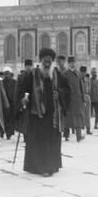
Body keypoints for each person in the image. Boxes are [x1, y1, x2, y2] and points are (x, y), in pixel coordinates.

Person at [19, 48, 65, 177]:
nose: (47, 64)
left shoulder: (57, 74)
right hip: (37, 116)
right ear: (40, 61)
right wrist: (23, 99)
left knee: (51, 142)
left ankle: (52, 166)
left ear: (52, 62)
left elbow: (66, 90)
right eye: (45, 61)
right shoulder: (32, 75)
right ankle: (40, 167)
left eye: (49, 62)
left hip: (53, 116)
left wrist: (59, 94)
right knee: (39, 142)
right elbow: (23, 90)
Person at [64, 56, 84, 142]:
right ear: (68, 64)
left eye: (73, 62)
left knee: (78, 117)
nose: (72, 64)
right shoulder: (65, 74)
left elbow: (81, 87)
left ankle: (78, 136)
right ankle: (66, 135)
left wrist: (83, 98)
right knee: (68, 117)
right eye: (71, 63)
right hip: (69, 100)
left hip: (77, 99)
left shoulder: (78, 73)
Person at [15, 59, 33, 141]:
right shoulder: (21, 76)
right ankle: (26, 136)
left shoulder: (34, 75)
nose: (28, 68)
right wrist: (18, 100)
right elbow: (17, 89)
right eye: (27, 66)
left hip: (33, 101)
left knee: (31, 119)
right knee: (24, 119)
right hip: (23, 100)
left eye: (30, 66)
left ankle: (31, 135)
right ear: (25, 67)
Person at [2, 67, 17, 140]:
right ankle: (6, 132)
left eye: (8, 74)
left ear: (11, 74)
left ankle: (10, 132)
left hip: (12, 102)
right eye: (5, 74)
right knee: (5, 118)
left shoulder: (14, 82)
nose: (7, 75)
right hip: (4, 103)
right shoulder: (1, 82)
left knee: (11, 118)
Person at [80, 66, 92, 135]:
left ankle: (88, 129)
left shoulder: (87, 80)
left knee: (87, 115)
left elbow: (89, 89)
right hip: (81, 98)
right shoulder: (79, 79)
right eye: (82, 72)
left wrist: (88, 96)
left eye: (84, 72)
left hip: (87, 97)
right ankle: (80, 129)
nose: (84, 73)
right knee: (81, 115)